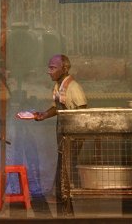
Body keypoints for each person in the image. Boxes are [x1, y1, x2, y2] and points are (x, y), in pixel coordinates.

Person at [33, 54, 87, 203]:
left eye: (52, 68)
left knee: (67, 162)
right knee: (64, 161)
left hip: (73, 131)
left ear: (65, 68)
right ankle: (64, 194)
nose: (49, 71)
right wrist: (43, 115)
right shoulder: (59, 85)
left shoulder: (73, 87)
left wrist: (76, 131)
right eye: (49, 68)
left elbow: (83, 108)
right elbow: (56, 108)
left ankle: (62, 195)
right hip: (63, 130)